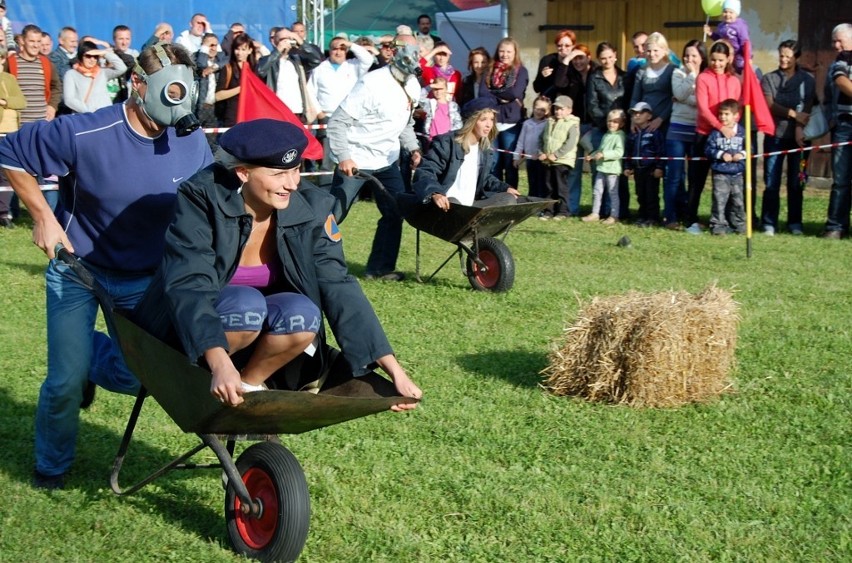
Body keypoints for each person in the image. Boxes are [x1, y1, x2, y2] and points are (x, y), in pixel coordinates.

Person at [0, 42, 212, 490]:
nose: (178, 107)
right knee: (62, 384)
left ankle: (91, 363)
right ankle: (51, 467)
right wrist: (43, 217)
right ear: (137, 85)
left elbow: (208, 199)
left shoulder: (190, 138)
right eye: (170, 93)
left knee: (141, 378)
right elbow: (10, 153)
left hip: (146, 279)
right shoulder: (85, 132)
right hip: (79, 271)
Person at [132, 119, 421, 408]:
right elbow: (189, 282)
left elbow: (338, 284)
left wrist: (392, 367)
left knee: (302, 313)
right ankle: (204, 378)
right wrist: (219, 364)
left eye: (296, 170)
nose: (293, 184)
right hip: (188, 332)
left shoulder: (314, 208)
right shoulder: (201, 198)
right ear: (243, 172)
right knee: (246, 305)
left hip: (260, 344)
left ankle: (247, 387)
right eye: (279, 174)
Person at [326, 31, 422, 281]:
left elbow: (406, 122)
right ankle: (314, 263)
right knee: (334, 215)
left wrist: (413, 148)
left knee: (394, 212)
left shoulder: (413, 84)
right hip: (355, 160)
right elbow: (337, 123)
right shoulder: (371, 83)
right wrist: (344, 156)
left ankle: (380, 269)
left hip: (387, 161)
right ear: (393, 53)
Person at [413, 97, 520, 210]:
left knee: (508, 199)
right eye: (483, 119)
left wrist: (505, 188)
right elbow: (426, 170)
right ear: (471, 121)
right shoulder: (447, 143)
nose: (489, 125)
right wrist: (435, 193)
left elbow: (485, 178)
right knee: (454, 203)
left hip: (471, 207)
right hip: (447, 204)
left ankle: (477, 224)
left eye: (491, 119)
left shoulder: (485, 149)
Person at [760, 39, 816, 236]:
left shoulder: (807, 80)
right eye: (781, 55)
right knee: (771, 180)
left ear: (797, 58)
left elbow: (808, 106)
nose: (783, 60)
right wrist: (793, 114)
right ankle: (768, 222)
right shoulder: (769, 79)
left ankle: (795, 223)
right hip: (774, 136)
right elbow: (770, 104)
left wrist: (800, 126)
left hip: (800, 138)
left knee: (796, 181)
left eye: (788, 57)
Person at [685, 39, 740, 234]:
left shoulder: (734, 80)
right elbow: (703, 108)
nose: (717, 64)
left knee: (725, 181)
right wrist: (719, 127)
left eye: (721, 60)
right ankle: (690, 219)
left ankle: (721, 221)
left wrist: (731, 128)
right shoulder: (703, 78)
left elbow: (736, 108)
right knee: (696, 180)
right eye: (714, 60)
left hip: (727, 136)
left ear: (728, 60)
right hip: (704, 134)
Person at [307, 35, 373, 184]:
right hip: (328, 117)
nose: (338, 52)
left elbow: (368, 59)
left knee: (352, 155)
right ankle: (325, 189)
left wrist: (350, 44)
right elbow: (310, 91)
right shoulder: (320, 69)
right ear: (329, 51)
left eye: (341, 49)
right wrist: (319, 112)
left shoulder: (353, 65)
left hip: (351, 117)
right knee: (327, 159)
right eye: (334, 49)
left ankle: (352, 188)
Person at [663, 40, 708, 230]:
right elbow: (679, 93)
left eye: (694, 56)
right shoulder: (678, 72)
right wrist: (692, 76)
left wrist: (686, 98)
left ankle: (690, 216)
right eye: (686, 55)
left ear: (702, 57)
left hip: (698, 129)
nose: (689, 59)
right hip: (677, 129)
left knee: (695, 178)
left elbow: (703, 100)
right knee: (674, 175)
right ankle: (670, 216)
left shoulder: (707, 75)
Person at [586, 41, 630, 219]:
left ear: (616, 56)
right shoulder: (594, 78)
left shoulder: (625, 77)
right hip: (601, 128)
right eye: (603, 58)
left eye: (610, 57)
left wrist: (621, 124)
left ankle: (619, 211)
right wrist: (608, 124)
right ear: (599, 59)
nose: (607, 61)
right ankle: (600, 211)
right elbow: (592, 104)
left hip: (622, 128)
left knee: (618, 173)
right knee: (600, 173)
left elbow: (629, 101)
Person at [480, 37, 528, 186]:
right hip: (492, 122)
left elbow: (515, 93)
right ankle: (495, 194)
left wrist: (494, 92)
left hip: (511, 123)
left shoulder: (521, 71)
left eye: (508, 51)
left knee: (509, 163)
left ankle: (510, 195)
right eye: (502, 51)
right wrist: (503, 96)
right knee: (494, 162)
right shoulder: (489, 70)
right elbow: (482, 93)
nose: (505, 54)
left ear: (515, 53)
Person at [822, 23, 852, 239]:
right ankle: (836, 227)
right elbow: (841, 82)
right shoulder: (839, 62)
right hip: (844, 125)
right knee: (841, 180)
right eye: (834, 41)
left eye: (840, 40)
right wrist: (830, 120)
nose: (836, 45)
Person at [256, 27, 322, 124]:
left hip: (298, 112)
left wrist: (301, 42)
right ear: (274, 42)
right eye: (282, 39)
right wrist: (278, 51)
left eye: (289, 38)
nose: (286, 42)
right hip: (277, 113)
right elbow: (260, 71)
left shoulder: (297, 60)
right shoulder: (267, 60)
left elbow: (316, 60)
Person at [705, 98, 747, 235]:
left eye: (726, 114)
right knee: (719, 200)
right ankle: (718, 225)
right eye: (721, 114)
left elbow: (750, 149)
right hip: (720, 172)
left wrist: (741, 154)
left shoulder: (742, 132)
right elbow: (708, 149)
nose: (723, 117)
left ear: (736, 115)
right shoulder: (715, 133)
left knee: (738, 201)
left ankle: (739, 224)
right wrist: (721, 154)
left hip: (737, 173)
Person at [538, 95, 580, 220]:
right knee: (549, 187)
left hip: (562, 161)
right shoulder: (549, 122)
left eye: (561, 109)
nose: (558, 111)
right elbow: (541, 139)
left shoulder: (572, 124)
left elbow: (570, 143)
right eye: (556, 108)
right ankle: (548, 211)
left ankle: (563, 211)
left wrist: (556, 155)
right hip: (548, 161)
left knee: (561, 188)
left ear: (569, 110)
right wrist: (542, 152)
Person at [624, 101, 666, 226]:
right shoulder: (633, 134)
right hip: (638, 169)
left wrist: (659, 167)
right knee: (640, 193)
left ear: (649, 116)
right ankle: (642, 216)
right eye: (634, 114)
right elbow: (629, 151)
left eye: (640, 113)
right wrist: (628, 166)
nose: (637, 116)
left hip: (651, 169)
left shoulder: (655, 133)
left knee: (651, 194)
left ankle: (653, 218)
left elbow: (661, 151)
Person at [584, 108, 626, 224]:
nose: (611, 124)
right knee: (597, 191)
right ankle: (595, 213)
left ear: (621, 123)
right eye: (609, 121)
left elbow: (619, 152)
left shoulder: (620, 136)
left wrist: (604, 155)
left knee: (613, 193)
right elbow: (600, 150)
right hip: (601, 168)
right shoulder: (606, 135)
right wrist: (592, 156)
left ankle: (614, 215)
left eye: (615, 121)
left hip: (612, 170)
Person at [62, 41, 128, 114]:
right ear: (81, 56)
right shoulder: (71, 74)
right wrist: (89, 112)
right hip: (84, 118)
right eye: (88, 56)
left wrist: (105, 53)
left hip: (105, 116)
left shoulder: (102, 72)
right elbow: (69, 100)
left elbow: (122, 68)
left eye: (95, 56)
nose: (92, 59)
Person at [629, 32, 674, 135]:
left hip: (665, 123)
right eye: (649, 51)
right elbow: (635, 98)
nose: (652, 54)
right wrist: (633, 119)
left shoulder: (672, 70)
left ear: (664, 51)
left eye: (655, 50)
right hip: (643, 123)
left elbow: (674, 99)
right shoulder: (641, 70)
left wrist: (660, 119)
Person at [0, 44, 25, 227]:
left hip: (9, 133)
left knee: (6, 176)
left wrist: (3, 101)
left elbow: (21, 102)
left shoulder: (9, 79)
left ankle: (4, 214)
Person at [214, 32, 257, 128]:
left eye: (243, 49)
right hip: (232, 118)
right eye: (237, 49)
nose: (239, 53)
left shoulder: (255, 69)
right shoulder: (228, 68)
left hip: (252, 116)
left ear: (250, 50)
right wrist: (241, 88)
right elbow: (218, 96)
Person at [513, 95, 550, 198]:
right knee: (532, 182)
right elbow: (521, 142)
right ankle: (532, 201)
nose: (539, 112)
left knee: (542, 183)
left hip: (542, 159)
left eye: (543, 110)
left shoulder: (547, 124)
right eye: (537, 108)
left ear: (547, 111)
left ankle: (542, 204)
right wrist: (516, 157)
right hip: (530, 159)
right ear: (533, 107)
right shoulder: (527, 124)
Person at [704, 0, 751, 74]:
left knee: (739, 69)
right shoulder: (721, 26)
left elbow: (745, 42)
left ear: (736, 14)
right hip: (725, 55)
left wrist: (748, 57)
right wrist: (711, 33)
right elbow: (719, 40)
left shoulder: (740, 26)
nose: (727, 14)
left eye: (731, 12)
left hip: (738, 55)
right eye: (725, 11)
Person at [421, 76, 462, 143]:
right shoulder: (430, 103)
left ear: (446, 89)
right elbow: (418, 97)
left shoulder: (453, 106)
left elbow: (458, 124)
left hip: (447, 142)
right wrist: (430, 86)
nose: (438, 91)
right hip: (432, 141)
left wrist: (450, 137)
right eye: (435, 89)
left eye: (441, 89)